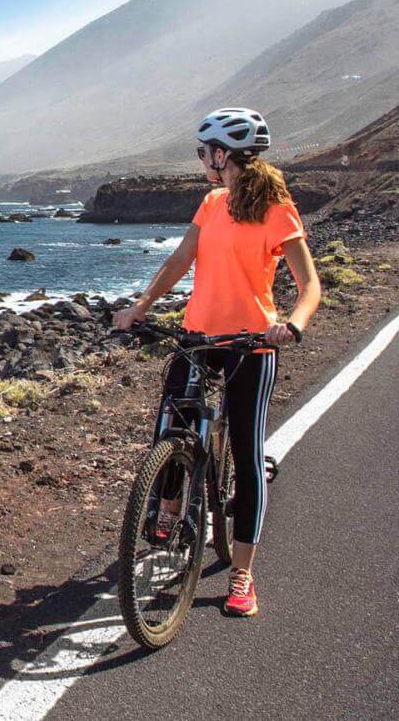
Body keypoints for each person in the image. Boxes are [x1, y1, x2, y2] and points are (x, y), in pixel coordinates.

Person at [113, 107, 321, 618]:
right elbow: (180, 260)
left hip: (252, 343)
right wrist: (141, 306)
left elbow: (310, 285)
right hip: (198, 335)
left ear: (222, 154)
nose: (202, 159)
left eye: (204, 151)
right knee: (172, 425)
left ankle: (242, 575)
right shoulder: (211, 202)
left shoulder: (278, 210)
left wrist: (292, 324)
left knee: (247, 457)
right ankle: (167, 509)